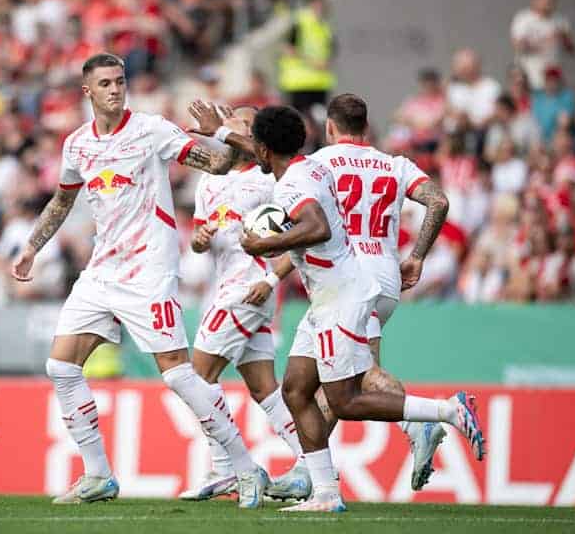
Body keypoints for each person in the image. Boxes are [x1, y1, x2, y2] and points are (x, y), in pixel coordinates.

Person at [198, 103, 486, 512]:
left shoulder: (295, 183)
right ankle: (325, 493)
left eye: (256, 147)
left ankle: (448, 411)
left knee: (346, 400)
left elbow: (318, 227)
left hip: (341, 297)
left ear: (263, 151)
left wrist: (262, 244)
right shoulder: (308, 167)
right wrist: (224, 133)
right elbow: (434, 201)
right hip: (337, 292)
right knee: (296, 390)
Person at [11, 53, 269, 507]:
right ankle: (98, 475)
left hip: (149, 270)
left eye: (120, 81)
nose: (115, 89)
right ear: (87, 91)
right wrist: (33, 246)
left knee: (178, 375)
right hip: (102, 270)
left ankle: (245, 469)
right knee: (61, 366)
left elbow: (218, 165)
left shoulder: (152, 130)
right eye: (106, 83)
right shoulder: (77, 145)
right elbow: (61, 202)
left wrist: (220, 136)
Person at [305, 94, 455, 491]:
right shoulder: (394, 164)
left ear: (330, 128)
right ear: (366, 129)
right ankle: (309, 469)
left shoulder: (319, 164)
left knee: (360, 376)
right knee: (334, 380)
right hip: (386, 275)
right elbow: (438, 202)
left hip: (349, 277)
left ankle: (417, 423)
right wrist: (418, 256)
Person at [178, 105, 310, 503]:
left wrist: (272, 280)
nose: (235, 125)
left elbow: (304, 236)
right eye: (235, 119)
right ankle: (313, 463)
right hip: (224, 289)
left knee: (196, 377)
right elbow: (206, 240)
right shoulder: (209, 183)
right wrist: (199, 241)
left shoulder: (270, 181)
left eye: (244, 123)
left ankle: (228, 469)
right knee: (265, 389)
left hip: (250, 290)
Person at [278, 0, 335, 116]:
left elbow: (329, 52)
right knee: (300, 122)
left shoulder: (324, 26)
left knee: (320, 121)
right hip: (299, 83)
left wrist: (326, 63)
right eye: (320, 1)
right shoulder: (300, 22)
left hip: (320, 83)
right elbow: (288, 49)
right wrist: (312, 62)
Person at [510, 0, 574, 91]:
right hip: (531, 80)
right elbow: (518, 46)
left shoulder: (561, 20)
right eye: (546, 0)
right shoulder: (523, 19)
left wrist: (565, 39)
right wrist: (545, 41)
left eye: (552, 0)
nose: (549, 3)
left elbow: (572, 50)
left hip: (554, 81)